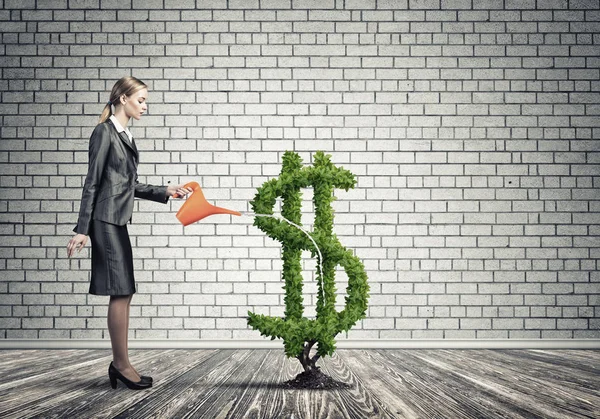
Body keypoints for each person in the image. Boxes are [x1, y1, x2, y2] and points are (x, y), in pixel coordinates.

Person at [66, 76, 192, 390]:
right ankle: (121, 364)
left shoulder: (124, 135)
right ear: (123, 98)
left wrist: (165, 190)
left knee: (125, 290)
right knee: (121, 290)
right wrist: (82, 230)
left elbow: (125, 186)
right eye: (141, 100)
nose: (145, 106)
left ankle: (120, 363)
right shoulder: (104, 133)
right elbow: (91, 183)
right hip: (104, 222)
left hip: (116, 220)